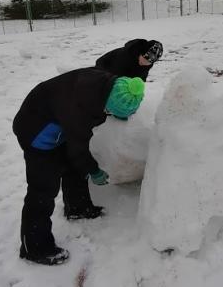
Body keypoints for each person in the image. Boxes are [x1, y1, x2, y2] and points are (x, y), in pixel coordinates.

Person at [13, 69, 145, 265]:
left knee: (72, 166)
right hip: (36, 129)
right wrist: (94, 171)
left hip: (56, 118)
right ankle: (34, 247)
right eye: (111, 111)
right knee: (43, 188)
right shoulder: (80, 108)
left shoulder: (107, 85)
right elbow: (78, 150)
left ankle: (78, 207)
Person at [95, 39, 163, 81]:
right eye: (144, 60)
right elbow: (117, 77)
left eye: (148, 63)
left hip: (123, 70)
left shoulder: (148, 62)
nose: (144, 63)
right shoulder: (127, 55)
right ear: (141, 53)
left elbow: (142, 75)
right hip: (104, 67)